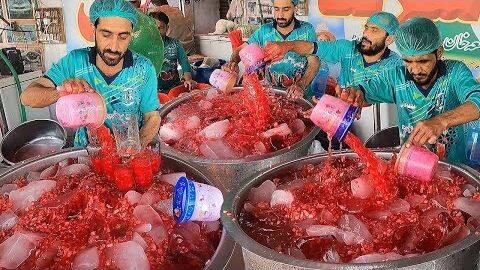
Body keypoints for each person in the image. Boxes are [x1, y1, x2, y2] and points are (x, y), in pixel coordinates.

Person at [336, 17, 480, 163]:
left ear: (439, 52)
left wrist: (441, 121)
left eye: (423, 61)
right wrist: (354, 94)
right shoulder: (396, 77)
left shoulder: (455, 72)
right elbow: (364, 92)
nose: (415, 69)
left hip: (453, 168)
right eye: (408, 61)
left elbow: (477, 101)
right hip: (410, 165)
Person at [20, 0, 161, 148]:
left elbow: (152, 117)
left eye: (123, 37)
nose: (114, 47)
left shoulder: (143, 68)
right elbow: (27, 97)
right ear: (94, 31)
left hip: (129, 152)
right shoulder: (75, 61)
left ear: (131, 36)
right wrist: (63, 93)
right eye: (106, 35)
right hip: (86, 153)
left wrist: (135, 150)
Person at [265, 11, 402, 91]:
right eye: (367, 27)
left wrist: (359, 100)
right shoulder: (348, 48)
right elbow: (311, 47)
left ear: (389, 39)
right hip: (339, 113)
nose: (366, 34)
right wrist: (287, 46)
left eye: (374, 30)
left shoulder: (396, 66)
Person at [225, 0, 320, 100]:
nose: (280, 15)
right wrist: (233, 62)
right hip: (271, 95)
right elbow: (240, 51)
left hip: (298, 95)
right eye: (276, 9)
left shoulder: (306, 30)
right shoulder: (264, 31)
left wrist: (301, 85)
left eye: (286, 9)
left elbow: (314, 62)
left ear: (294, 9)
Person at [150, 11, 196, 93]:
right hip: (153, 91)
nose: (157, 31)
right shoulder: (144, 46)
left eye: (161, 27)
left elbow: (184, 62)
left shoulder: (175, 44)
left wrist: (188, 79)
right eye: (153, 27)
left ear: (167, 28)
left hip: (174, 88)